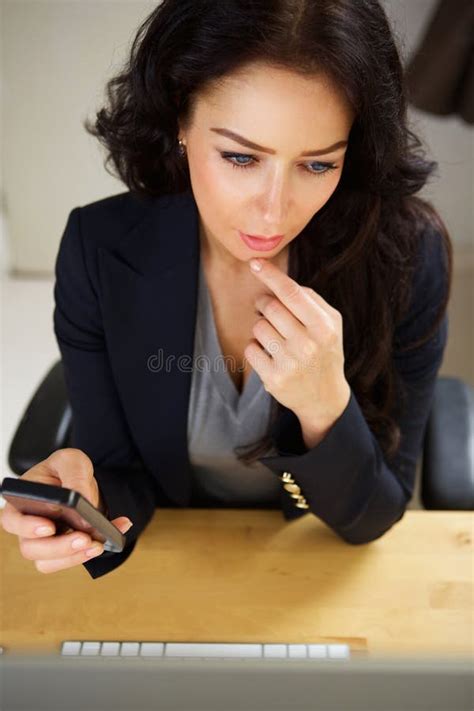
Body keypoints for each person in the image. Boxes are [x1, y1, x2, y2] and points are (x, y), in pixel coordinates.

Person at [1, 0, 452, 580]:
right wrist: (85, 501)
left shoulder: (409, 257)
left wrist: (324, 406)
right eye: (240, 157)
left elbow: (372, 517)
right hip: (176, 561)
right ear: (180, 122)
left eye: (317, 166)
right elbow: (122, 473)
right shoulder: (100, 248)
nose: (274, 210)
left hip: (307, 566)